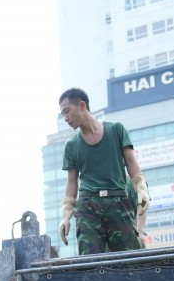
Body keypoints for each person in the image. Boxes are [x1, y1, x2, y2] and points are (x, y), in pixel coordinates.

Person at [57, 87, 150, 254]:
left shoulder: (116, 130)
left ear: (82, 105)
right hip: (88, 206)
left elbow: (131, 162)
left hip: (118, 201)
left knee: (130, 260)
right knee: (91, 263)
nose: (65, 118)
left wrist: (141, 188)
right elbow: (72, 182)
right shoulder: (71, 146)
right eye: (62, 115)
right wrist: (66, 214)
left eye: (66, 111)